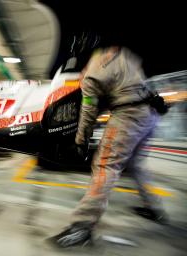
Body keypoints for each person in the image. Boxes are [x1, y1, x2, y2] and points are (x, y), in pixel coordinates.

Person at [47, 33, 169, 248]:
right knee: (136, 165)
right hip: (151, 113)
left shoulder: (90, 74)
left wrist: (81, 140)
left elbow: (88, 110)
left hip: (128, 114)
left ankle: (82, 227)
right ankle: (153, 208)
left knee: (105, 166)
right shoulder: (119, 52)